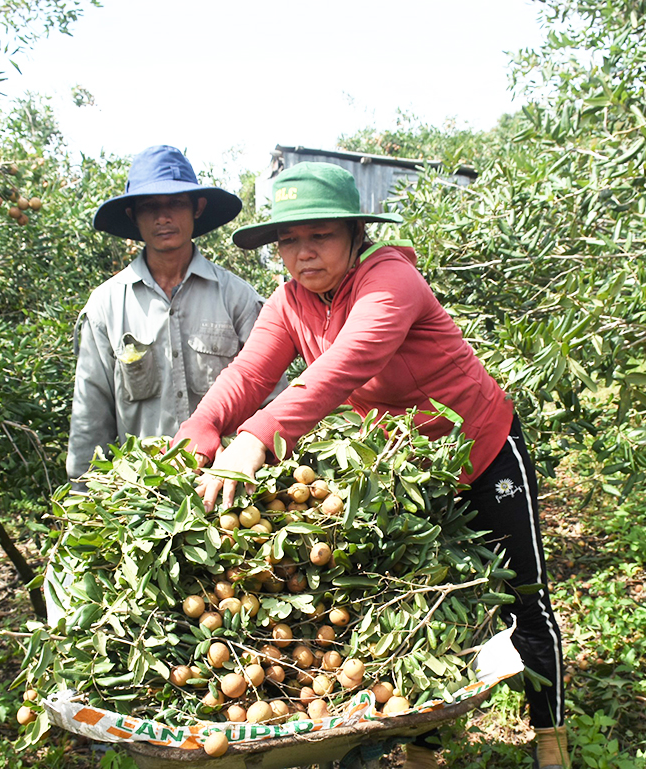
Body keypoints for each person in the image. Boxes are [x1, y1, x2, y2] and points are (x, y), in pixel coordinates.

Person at [174, 163, 570, 769]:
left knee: (524, 593)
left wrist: (255, 437)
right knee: (421, 600)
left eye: (320, 236)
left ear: (356, 234)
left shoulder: (391, 281)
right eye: (288, 241)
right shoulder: (290, 300)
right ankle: (422, 741)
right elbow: (250, 372)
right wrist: (202, 426)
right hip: (407, 472)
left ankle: (551, 738)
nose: (302, 254)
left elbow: (341, 370)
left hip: (482, 450)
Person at [65, 144, 273, 487]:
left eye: (176, 203)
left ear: (197, 208)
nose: (163, 217)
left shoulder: (237, 299)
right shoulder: (106, 307)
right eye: (150, 207)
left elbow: (270, 397)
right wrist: (82, 496)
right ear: (133, 215)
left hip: (230, 490)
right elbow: (91, 414)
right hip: (144, 500)